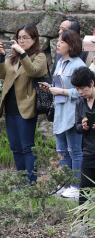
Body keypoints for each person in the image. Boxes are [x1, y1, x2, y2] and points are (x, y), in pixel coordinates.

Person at [0, 24, 48, 184]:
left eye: (25, 37)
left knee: (27, 147)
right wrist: (1, 56)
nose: (21, 40)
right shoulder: (13, 58)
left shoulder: (39, 56)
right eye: (19, 37)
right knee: (15, 147)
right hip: (10, 107)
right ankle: (21, 179)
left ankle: (31, 181)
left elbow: (34, 71)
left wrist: (23, 53)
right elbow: (1, 74)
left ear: (34, 39)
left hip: (26, 106)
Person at [40, 29, 83, 200]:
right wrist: (50, 88)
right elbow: (58, 85)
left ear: (71, 45)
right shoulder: (60, 62)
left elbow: (82, 92)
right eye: (58, 40)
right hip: (60, 111)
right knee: (61, 151)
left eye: (62, 42)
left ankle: (76, 185)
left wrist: (62, 91)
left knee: (75, 151)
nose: (58, 44)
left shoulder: (78, 65)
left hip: (73, 112)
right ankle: (64, 183)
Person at [72, 65, 95, 204]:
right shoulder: (80, 103)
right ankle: (82, 223)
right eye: (77, 89)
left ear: (92, 83)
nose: (81, 92)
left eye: (83, 89)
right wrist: (84, 126)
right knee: (84, 191)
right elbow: (77, 127)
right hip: (88, 151)